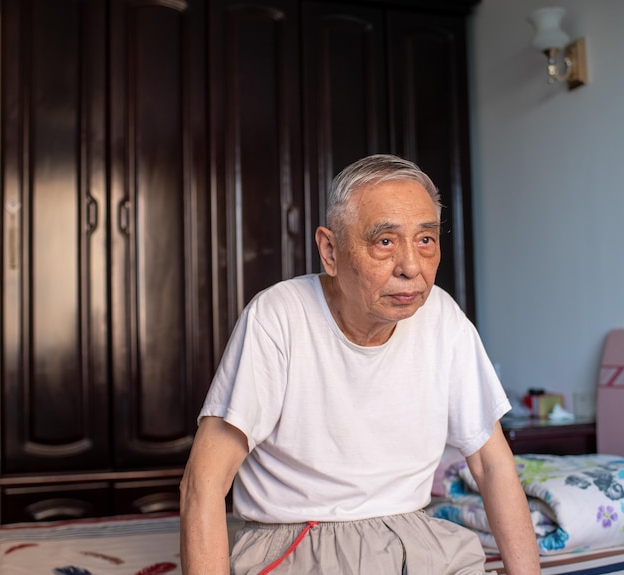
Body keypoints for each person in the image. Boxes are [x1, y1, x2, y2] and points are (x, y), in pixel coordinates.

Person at [180, 154, 540, 574]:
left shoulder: (443, 317)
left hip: (419, 541)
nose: (411, 267)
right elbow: (202, 484)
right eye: (385, 242)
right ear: (329, 251)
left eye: (425, 240)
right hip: (301, 542)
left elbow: (492, 464)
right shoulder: (279, 316)